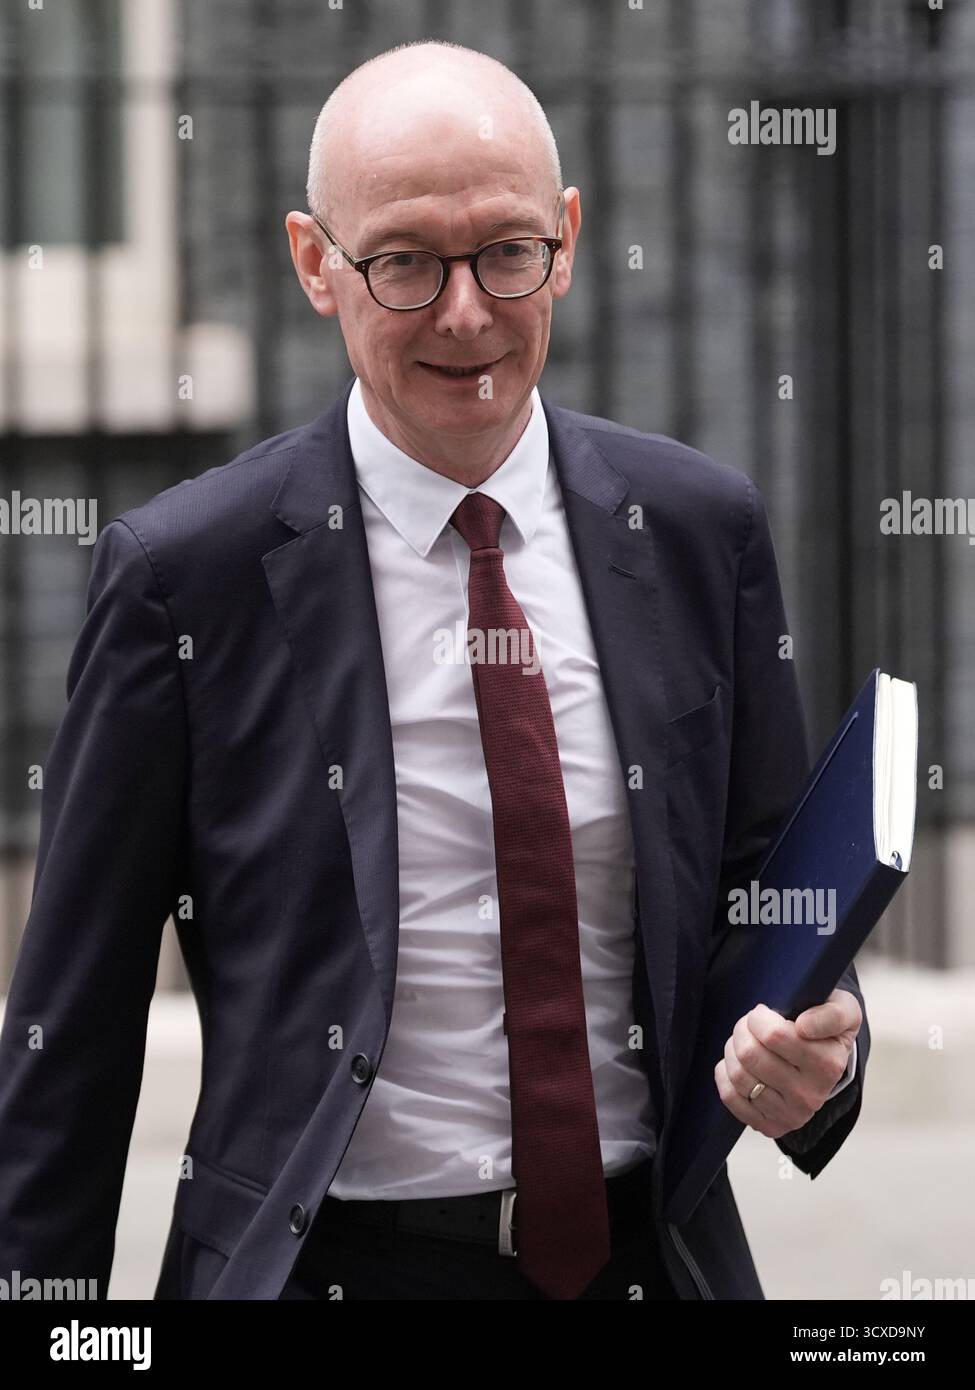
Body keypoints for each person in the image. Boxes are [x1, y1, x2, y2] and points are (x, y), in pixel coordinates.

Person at [0, 39, 866, 1302]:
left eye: (507, 252)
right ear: (316, 261)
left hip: (648, 1266)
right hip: (329, 1270)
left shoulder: (694, 531)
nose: (465, 313)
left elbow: (776, 901)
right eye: (403, 261)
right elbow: (69, 1030)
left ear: (567, 239)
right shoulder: (188, 576)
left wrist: (820, 1053)